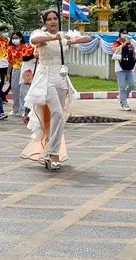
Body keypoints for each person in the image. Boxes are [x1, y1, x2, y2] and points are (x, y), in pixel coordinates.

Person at [21, 10, 91, 170]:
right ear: (45, 23)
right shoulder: (42, 35)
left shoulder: (62, 36)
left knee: (58, 117)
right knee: (58, 113)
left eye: (55, 19)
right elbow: (34, 40)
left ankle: (49, 152)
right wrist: (53, 37)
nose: (52, 21)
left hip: (61, 79)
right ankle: (53, 153)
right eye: (49, 19)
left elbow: (88, 38)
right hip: (46, 79)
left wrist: (70, 39)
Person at [7, 31, 34, 117]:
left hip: (25, 70)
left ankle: (23, 110)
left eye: (16, 38)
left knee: (23, 91)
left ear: (21, 38)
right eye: (13, 38)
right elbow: (10, 62)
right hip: (16, 70)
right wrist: (8, 72)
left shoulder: (26, 47)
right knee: (15, 90)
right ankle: (15, 109)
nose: (15, 40)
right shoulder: (10, 49)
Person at [112, 28, 136, 111]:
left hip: (129, 66)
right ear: (119, 33)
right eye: (123, 33)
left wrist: (132, 47)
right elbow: (115, 50)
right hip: (120, 67)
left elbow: (134, 54)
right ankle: (124, 104)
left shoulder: (130, 43)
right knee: (122, 86)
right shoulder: (117, 42)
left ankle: (121, 97)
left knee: (132, 84)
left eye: (126, 33)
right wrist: (124, 44)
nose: (125, 34)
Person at [0, 25, 11, 103]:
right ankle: (1, 97)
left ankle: (4, 94)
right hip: (0, 64)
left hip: (8, 63)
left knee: (10, 81)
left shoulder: (9, 40)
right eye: (4, 31)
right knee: (1, 81)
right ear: (0, 32)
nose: (5, 33)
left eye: (6, 31)